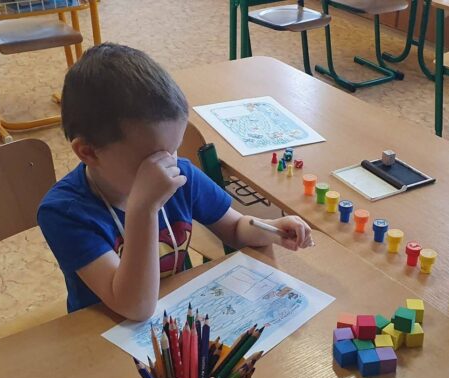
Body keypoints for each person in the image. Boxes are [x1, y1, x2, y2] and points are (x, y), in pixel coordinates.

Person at [38, 43, 313, 320]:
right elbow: (134, 307)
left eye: (175, 149)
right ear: (88, 152)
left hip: (174, 315)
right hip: (103, 330)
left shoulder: (181, 175)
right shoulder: (64, 213)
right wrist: (143, 209)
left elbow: (235, 228)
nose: (169, 165)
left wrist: (272, 229)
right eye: (154, 159)